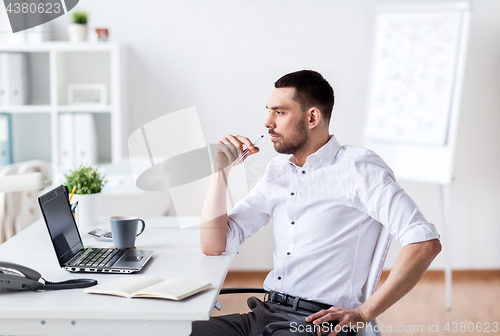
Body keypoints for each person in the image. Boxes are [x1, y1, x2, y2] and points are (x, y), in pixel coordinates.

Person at [191, 70, 441, 336]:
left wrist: (364, 314)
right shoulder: (278, 172)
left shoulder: (357, 168)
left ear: (312, 117)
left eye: (279, 112)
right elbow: (214, 245)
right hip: (265, 314)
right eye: (269, 111)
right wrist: (220, 173)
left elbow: (424, 242)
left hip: (315, 324)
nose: (267, 122)